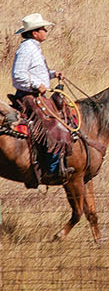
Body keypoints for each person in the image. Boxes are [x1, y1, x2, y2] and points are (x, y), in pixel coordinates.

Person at [10, 13, 67, 183]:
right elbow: (18, 75)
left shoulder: (34, 47)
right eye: (43, 29)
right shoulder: (26, 49)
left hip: (37, 96)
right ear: (35, 33)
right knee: (52, 126)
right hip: (29, 97)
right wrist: (36, 85)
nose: (45, 31)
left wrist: (52, 74)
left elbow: (34, 71)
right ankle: (50, 169)